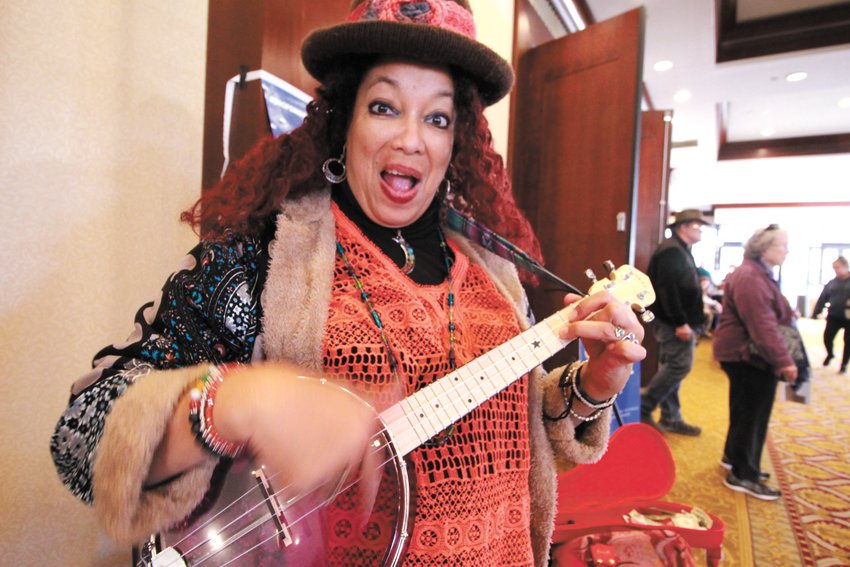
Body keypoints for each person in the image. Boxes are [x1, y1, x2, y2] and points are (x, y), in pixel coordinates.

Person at [49, 2, 646, 566]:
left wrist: (591, 387)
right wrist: (235, 401)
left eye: (436, 117)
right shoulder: (268, 253)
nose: (412, 138)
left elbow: (503, 435)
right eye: (385, 106)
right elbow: (82, 441)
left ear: (455, 139)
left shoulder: (494, 272)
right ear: (345, 120)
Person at [713, 225, 796, 501]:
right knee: (753, 413)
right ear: (764, 248)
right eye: (782, 245)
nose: (786, 250)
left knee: (744, 409)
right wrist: (785, 361)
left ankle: (734, 457)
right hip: (747, 355)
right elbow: (762, 327)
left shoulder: (756, 273)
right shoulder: (751, 276)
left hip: (743, 353)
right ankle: (743, 474)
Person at [640, 209, 708, 436]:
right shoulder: (671, 252)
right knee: (679, 366)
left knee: (671, 366)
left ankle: (671, 417)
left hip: (675, 321)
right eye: (697, 226)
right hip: (673, 323)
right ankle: (645, 406)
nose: (700, 231)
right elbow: (667, 291)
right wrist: (680, 323)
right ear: (683, 227)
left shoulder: (679, 250)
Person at [813, 256, 850, 374]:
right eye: (834, 268)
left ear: (845, 266)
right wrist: (817, 311)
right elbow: (823, 297)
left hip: (849, 317)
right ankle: (830, 354)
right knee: (827, 337)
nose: (836, 270)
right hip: (834, 315)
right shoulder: (832, 283)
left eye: (838, 267)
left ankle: (844, 365)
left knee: (848, 342)